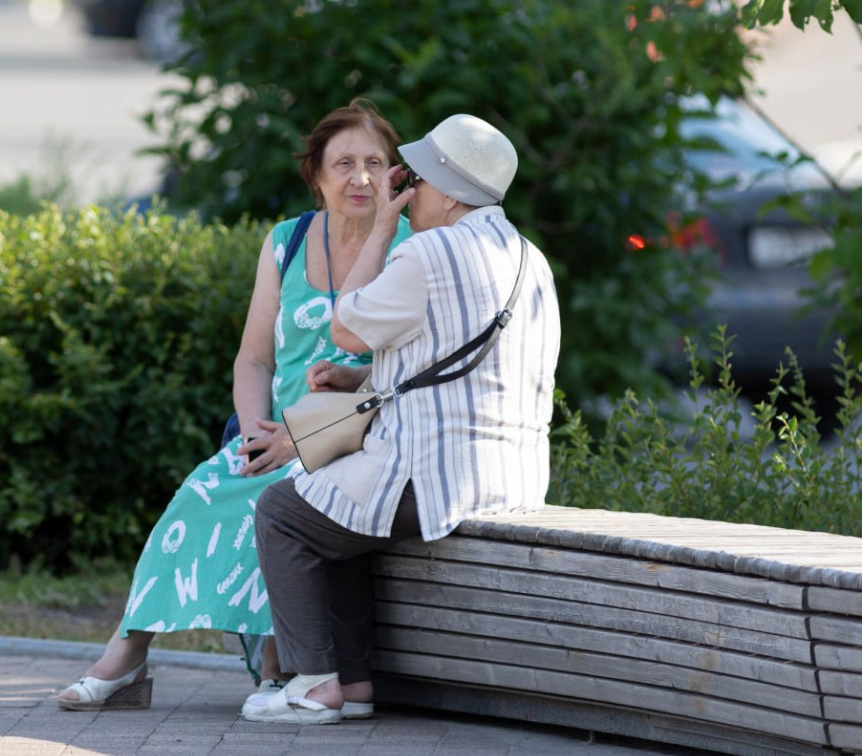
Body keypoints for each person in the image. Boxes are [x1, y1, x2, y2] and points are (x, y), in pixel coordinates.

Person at [56, 99, 414, 711]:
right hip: (277, 434)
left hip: (355, 436)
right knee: (203, 490)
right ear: (317, 175)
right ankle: (127, 655)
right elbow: (253, 360)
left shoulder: (408, 246)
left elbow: (396, 374)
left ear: (394, 177)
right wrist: (255, 432)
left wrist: (298, 437)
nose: (360, 178)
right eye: (344, 163)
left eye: (374, 164)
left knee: (271, 502)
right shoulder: (287, 241)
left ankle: (280, 665)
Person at [243, 114, 561, 724]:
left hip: (435, 475)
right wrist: (363, 380)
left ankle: (314, 685)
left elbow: (344, 325)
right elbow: (458, 361)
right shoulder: (529, 259)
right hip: (514, 476)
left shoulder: (428, 250)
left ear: (446, 189)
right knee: (339, 506)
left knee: (285, 512)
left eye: (415, 178)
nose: (406, 188)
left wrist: (383, 226)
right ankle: (356, 685)